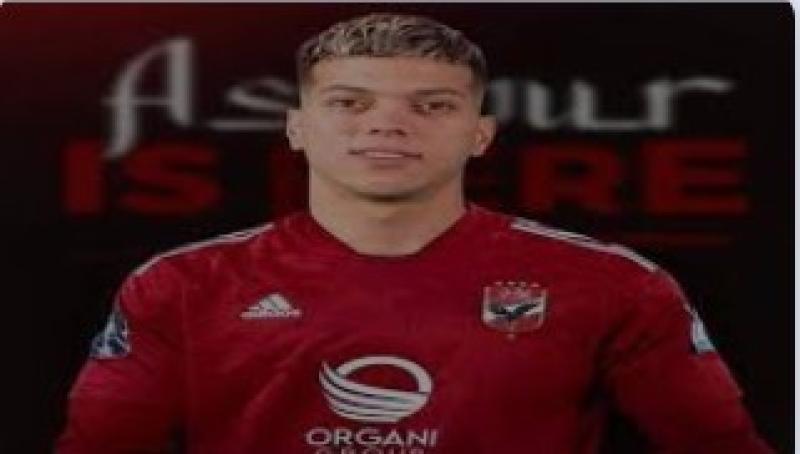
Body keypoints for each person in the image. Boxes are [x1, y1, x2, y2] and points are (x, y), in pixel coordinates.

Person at [58, 13, 773, 453]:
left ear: (481, 134)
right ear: (297, 128)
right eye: (350, 102)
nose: (387, 124)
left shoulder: (615, 284)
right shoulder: (181, 284)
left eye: (431, 105)